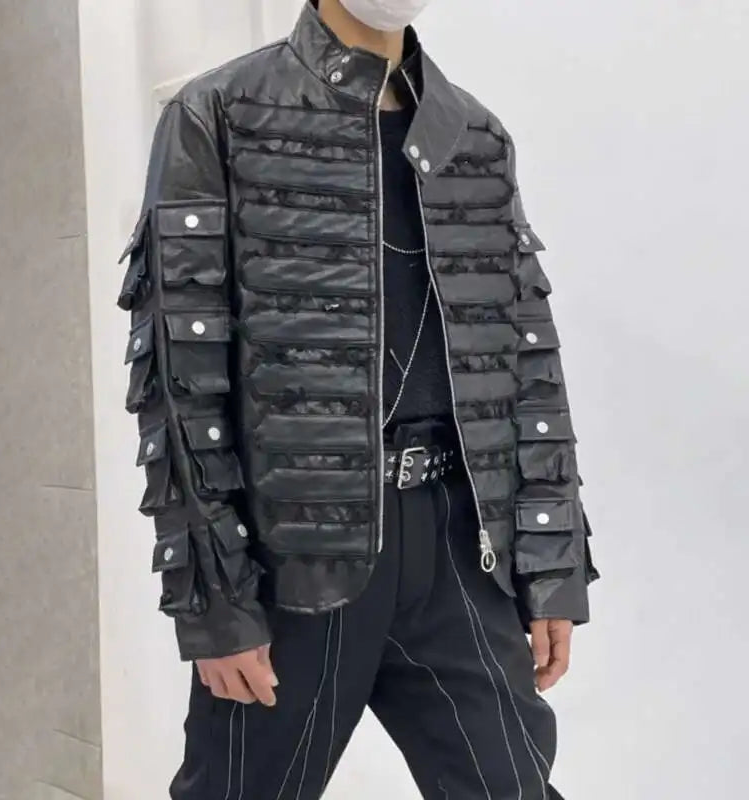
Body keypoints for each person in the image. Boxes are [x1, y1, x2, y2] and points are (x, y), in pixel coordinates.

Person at [117, 0, 599, 797]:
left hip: (455, 544)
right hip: (292, 555)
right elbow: (179, 381)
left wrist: (552, 563)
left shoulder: (471, 134)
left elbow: (525, 361)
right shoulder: (220, 113)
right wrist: (217, 604)